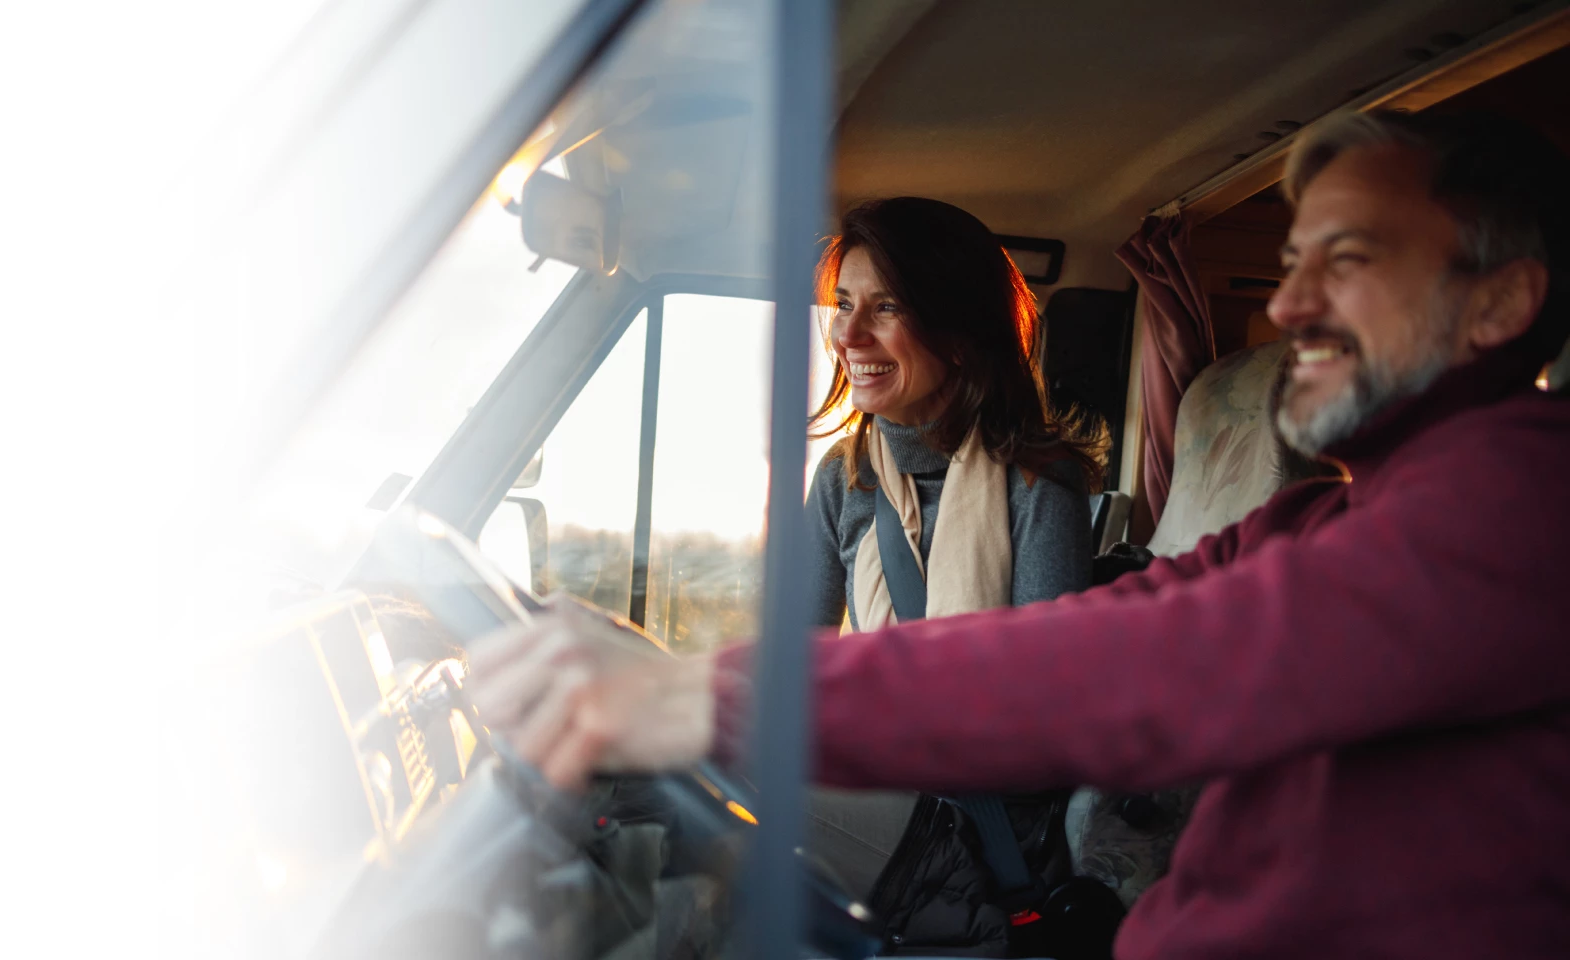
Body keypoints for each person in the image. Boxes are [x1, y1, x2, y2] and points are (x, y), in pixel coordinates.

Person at [467, 108, 1570, 959]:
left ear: (1500, 304)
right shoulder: (1316, 517)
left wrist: (695, 697)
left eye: (1351, 259)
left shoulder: (1523, 504)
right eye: (1289, 265)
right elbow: (1128, 620)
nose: (1285, 311)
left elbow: (1141, 668)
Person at [799, 197, 1104, 950]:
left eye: (887, 306)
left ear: (961, 336)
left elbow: (1043, 732)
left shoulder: (1039, 486)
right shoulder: (844, 481)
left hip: (986, 831)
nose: (849, 333)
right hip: (883, 795)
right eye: (843, 306)